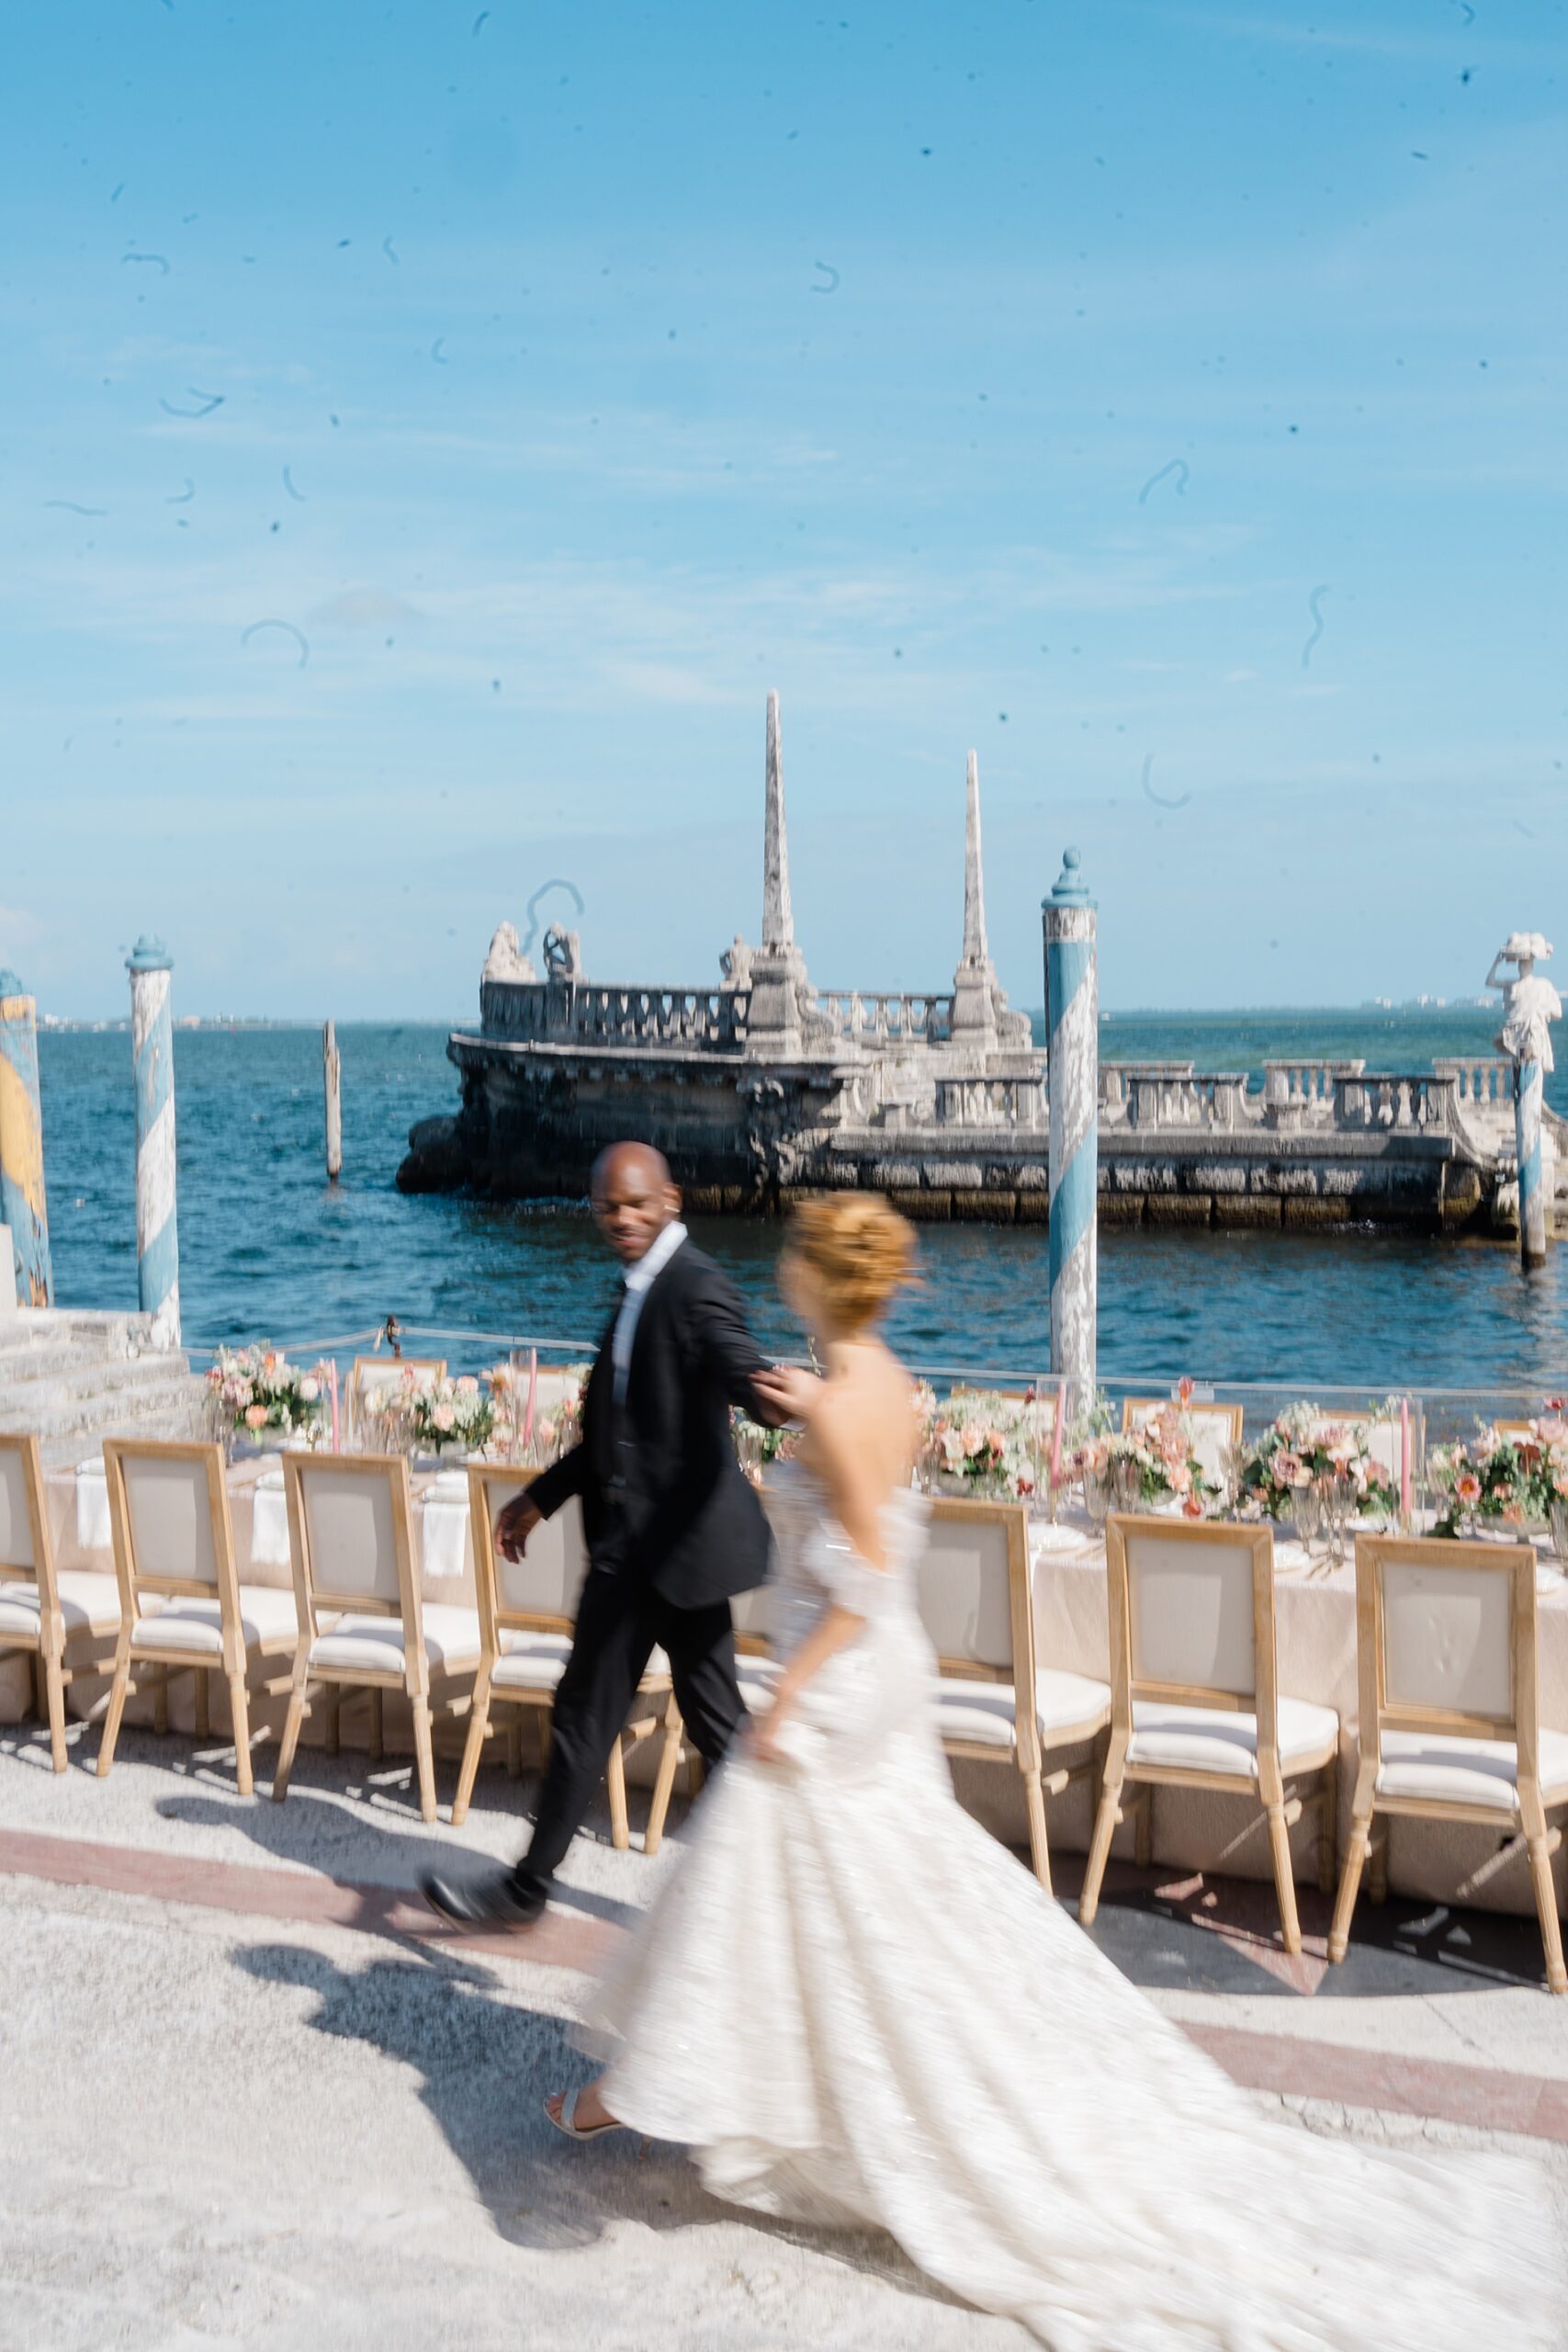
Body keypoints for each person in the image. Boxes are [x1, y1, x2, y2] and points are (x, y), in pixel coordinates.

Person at [543, 1192, 1558, 2349]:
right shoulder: (882, 1385)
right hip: (886, 1672)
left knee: (755, 1872)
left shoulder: (834, 1410)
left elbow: (864, 1569)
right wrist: (808, 1412)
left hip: (844, 1672)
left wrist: (793, 1695)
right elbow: (873, 1505)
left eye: (792, 1263)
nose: (780, 1274)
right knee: (867, 1900)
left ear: (822, 1280)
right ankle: (754, 2085)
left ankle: (640, 2090)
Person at [421, 1141, 775, 1930]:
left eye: (636, 1205)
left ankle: (526, 1892)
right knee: (699, 1728)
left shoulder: (695, 1288)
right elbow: (622, 1436)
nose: (620, 1219)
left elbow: (739, 1369)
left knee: (607, 1718)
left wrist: (775, 1398)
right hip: (654, 1551)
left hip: (666, 1551)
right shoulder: (638, 1291)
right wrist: (540, 1499)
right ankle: (776, 1885)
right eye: (608, 1207)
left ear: (670, 1202)